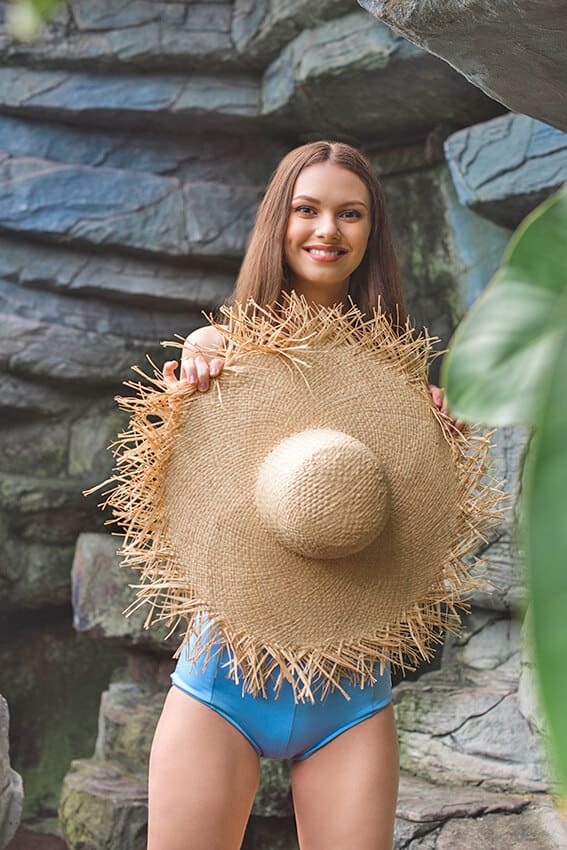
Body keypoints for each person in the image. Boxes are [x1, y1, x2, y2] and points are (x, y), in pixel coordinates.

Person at [148, 141, 463, 850]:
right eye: (307, 209)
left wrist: (436, 429)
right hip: (220, 687)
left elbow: (428, 517)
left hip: (350, 700)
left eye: (350, 214)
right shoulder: (221, 355)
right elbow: (170, 476)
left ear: (371, 233)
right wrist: (201, 356)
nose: (327, 230)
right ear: (277, 222)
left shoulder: (402, 386)